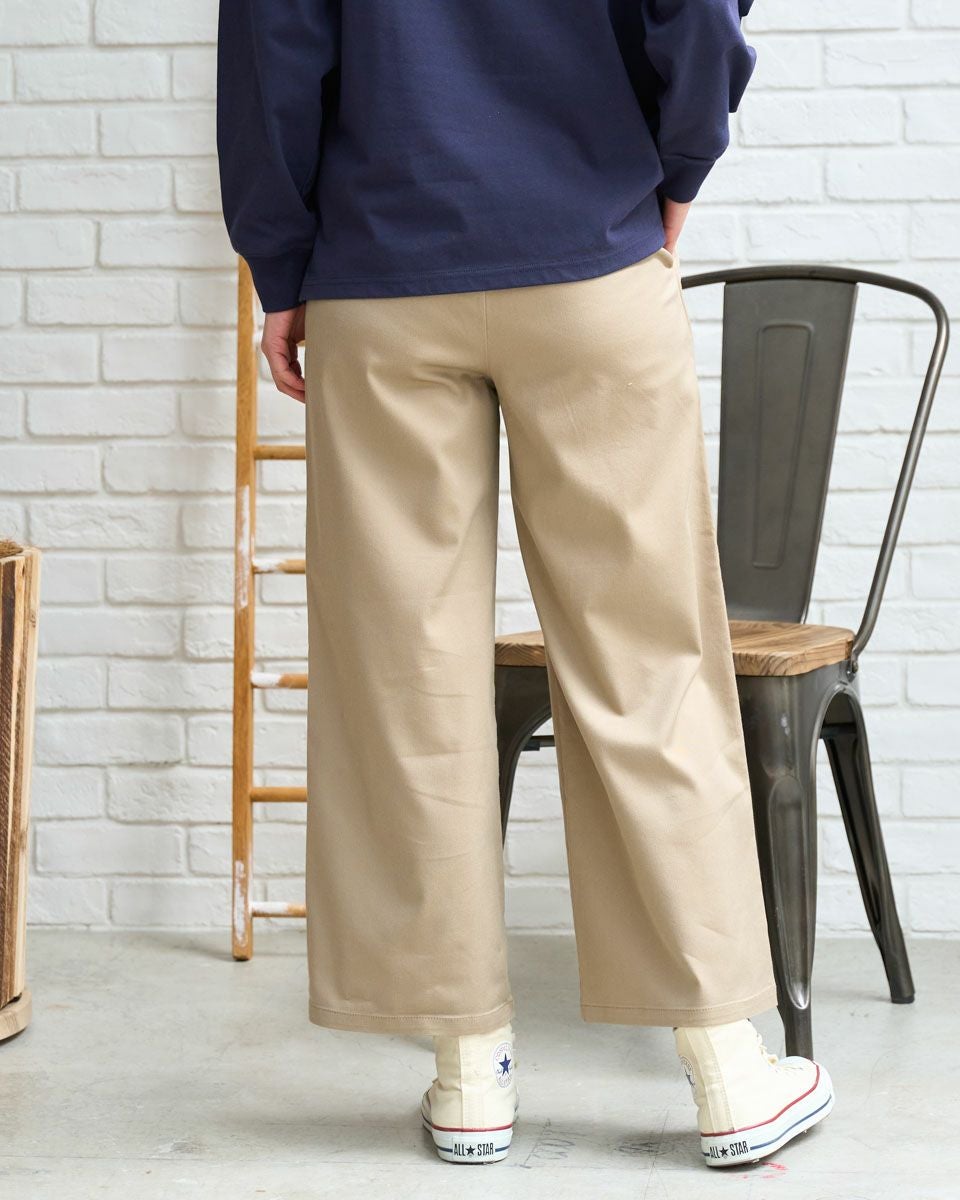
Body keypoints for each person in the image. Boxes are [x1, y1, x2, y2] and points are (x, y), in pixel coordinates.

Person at [216, 0, 835, 1169]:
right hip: (590, 254)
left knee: (402, 675)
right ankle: (727, 1070)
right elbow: (699, 12)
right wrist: (680, 167)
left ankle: (469, 1078)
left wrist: (280, 261)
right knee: (646, 660)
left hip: (380, 274)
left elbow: (271, 48)